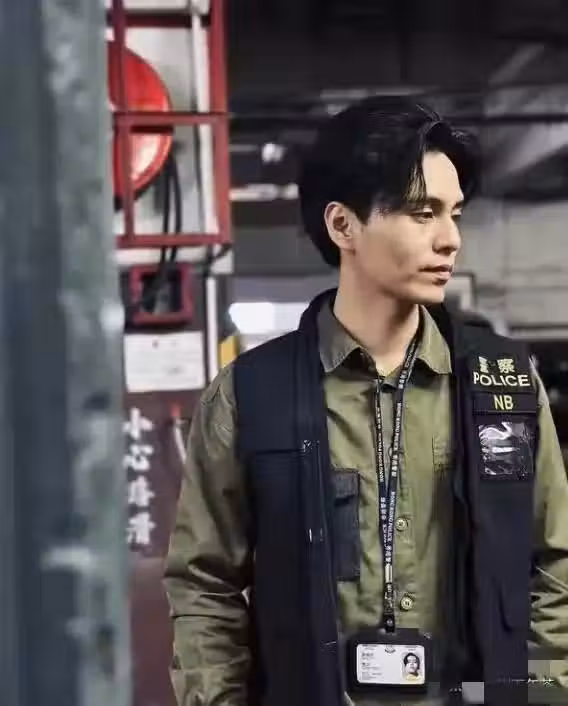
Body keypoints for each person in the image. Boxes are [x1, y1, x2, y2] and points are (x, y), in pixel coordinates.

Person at [163, 96, 568, 706]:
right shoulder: (249, 397)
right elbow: (205, 586)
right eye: (423, 213)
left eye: (455, 214)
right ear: (343, 225)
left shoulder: (501, 385)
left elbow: (552, 563)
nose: (450, 239)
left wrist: (543, 694)